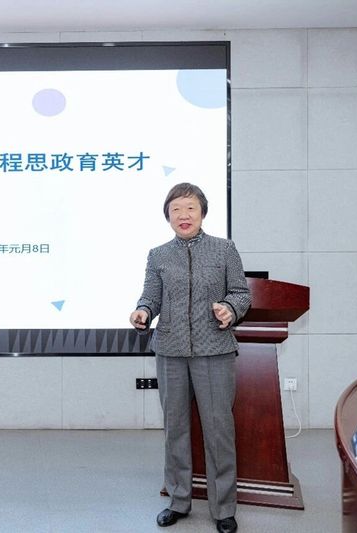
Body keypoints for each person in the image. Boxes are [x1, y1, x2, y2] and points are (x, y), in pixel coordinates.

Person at [130, 183, 251, 533]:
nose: (183, 215)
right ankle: (179, 500)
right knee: (176, 429)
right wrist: (143, 311)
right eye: (176, 209)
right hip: (170, 350)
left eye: (190, 208)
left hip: (215, 350)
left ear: (202, 212)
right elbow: (151, 296)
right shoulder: (158, 255)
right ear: (168, 216)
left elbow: (240, 293)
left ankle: (224, 508)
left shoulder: (224, 249)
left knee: (218, 430)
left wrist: (229, 308)